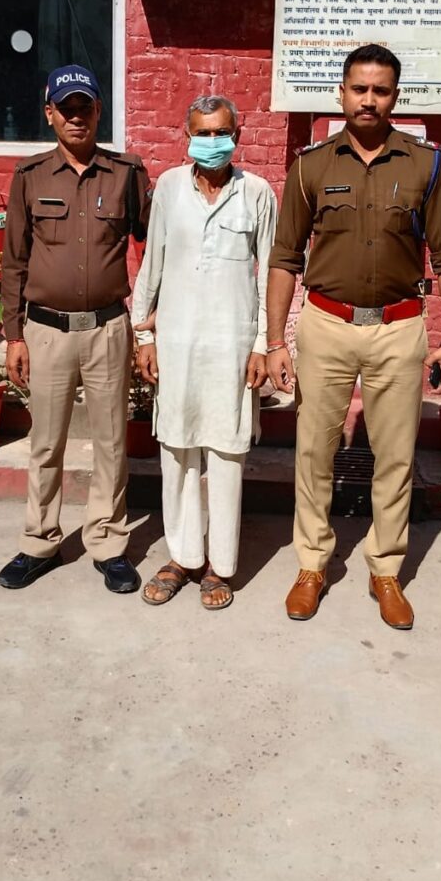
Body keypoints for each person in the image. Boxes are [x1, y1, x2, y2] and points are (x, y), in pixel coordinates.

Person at [266, 45, 441, 629]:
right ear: (342, 92)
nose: (369, 100)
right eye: (360, 88)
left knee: (395, 456)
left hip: (399, 329)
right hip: (326, 326)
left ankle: (385, 570)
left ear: (395, 97)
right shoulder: (310, 166)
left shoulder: (426, 165)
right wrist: (276, 340)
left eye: (381, 90)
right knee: (314, 451)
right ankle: (312, 564)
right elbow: (285, 257)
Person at [0, 64, 151, 595]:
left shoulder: (126, 173)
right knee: (46, 443)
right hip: (46, 331)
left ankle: (107, 542)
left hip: (108, 328)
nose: (76, 116)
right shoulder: (30, 176)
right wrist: (14, 336)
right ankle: (40, 541)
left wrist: (149, 321)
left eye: (85, 106)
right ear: (50, 114)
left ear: (98, 110)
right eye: (66, 108)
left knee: (110, 442)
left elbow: (153, 245)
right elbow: (14, 261)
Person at [132, 95, 277, 611]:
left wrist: (263, 344)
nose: (212, 142)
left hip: (232, 348)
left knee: (227, 455)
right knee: (176, 451)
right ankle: (182, 557)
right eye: (202, 132)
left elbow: (272, 276)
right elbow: (151, 264)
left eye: (221, 132)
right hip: (176, 343)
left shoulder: (257, 193)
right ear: (186, 134)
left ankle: (220, 566)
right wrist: (144, 337)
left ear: (238, 134)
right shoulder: (170, 188)